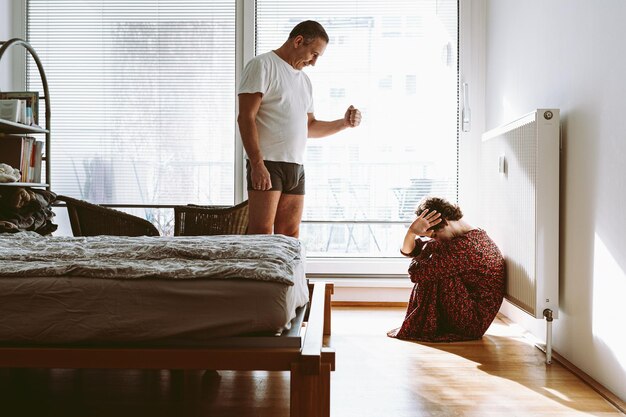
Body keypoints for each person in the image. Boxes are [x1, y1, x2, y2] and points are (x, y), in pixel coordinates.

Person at [237, 20, 361, 238]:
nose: (314, 62)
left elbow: (309, 127)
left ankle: (289, 274)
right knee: (262, 234)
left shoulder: (304, 81)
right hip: (268, 163)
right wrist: (257, 164)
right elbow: (246, 117)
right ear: (298, 41)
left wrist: (343, 123)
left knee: (290, 234)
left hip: (296, 167)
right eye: (313, 54)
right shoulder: (262, 65)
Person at [388, 197, 505, 342]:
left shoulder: (464, 247)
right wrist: (411, 232)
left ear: (445, 221)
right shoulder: (470, 234)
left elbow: (416, 273)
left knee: (431, 273)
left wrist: (421, 247)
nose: (435, 240)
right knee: (434, 266)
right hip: (474, 314)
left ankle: (426, 326)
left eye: (436, 235)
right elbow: (410, 250)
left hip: (471, 321)